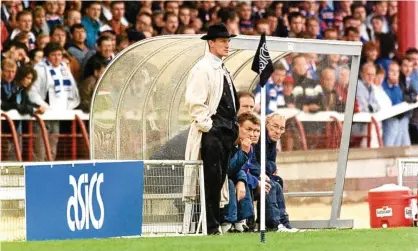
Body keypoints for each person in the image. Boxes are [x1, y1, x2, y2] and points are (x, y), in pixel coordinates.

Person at [184, 23, 238, 235]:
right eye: (223, 41)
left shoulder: (222, 67)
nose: (227, 45)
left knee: (219, 178)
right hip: (213, 133)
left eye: (228, 41)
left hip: (224, 132)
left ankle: (214, 223)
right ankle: (210, 225)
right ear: (211, 43)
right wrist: (209, 127)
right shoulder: (202, 68)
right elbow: (195, 102)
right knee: (211, 179)